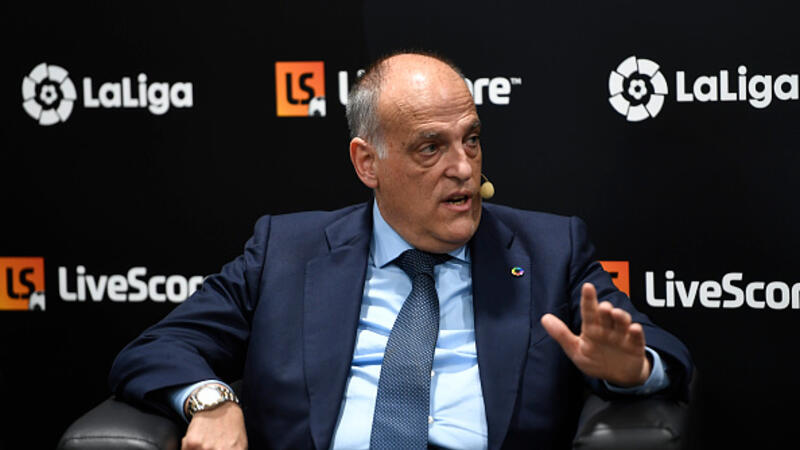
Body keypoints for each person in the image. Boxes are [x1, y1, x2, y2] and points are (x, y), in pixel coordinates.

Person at [109, 51, 692, 450]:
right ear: (368, 163)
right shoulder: (285, 252)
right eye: (430, 148)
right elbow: (158, 347)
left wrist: (632, 371)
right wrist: (210, 400)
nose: (462, 168)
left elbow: (660, 351)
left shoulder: (549, 248)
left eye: (471, 140)